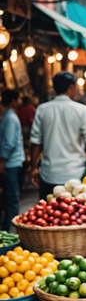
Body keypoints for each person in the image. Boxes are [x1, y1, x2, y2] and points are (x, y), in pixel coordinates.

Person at [30, 72, 86, 199]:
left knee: (47, 214)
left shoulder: (42, 109)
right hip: (75, 174)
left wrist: (33, 168)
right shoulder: (82, 110)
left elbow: (35, 142)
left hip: (48, 174)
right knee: (73, 216)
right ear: (71, 88)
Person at [0, 90, 24, 231]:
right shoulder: (10, 118)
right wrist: (2, 162)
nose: (20, 101)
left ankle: (7, 228)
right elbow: (9, 143)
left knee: (9, 198)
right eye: (18, 98)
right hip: (10, 164)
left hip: (10, 163)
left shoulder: (8, 117)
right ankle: (11, 231)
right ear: (12, 101)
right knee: (11, 200)